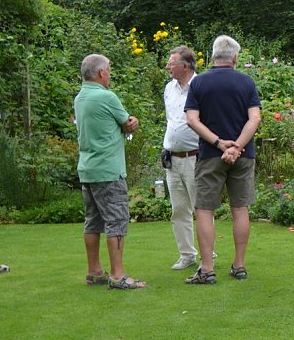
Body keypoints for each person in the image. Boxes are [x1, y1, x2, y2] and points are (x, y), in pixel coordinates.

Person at [183, 35, 262, 285]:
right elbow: (255, 119)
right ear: (235, 58)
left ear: (213, 55)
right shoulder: (246, 82)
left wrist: (218, 143)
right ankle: (238, 265)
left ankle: (207, 269)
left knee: (205, 210)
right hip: (243, 155)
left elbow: (192, 120)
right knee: (240, 208)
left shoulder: (199, 84)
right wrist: (237, 146)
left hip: (209, 155)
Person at [74, 54, 146, 290]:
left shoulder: (80, 97)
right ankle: (118, 275)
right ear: (102, 73)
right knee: (117, 221)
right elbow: (127, 123)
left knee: (92, 222)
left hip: (88, 169)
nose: (110, 75)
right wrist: (132, 123)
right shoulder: (107, 97)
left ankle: (94, 271)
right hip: (108, 170)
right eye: (109, 71)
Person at [162, 46, 208, 270]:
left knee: (201, 209)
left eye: (172, 62)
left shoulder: (201, 86)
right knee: (179, 209)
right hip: (172, 158)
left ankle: (207, 256)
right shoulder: (169, 89)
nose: (168, 66)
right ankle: (187, 254)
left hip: (195, 157)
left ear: (186, 65)